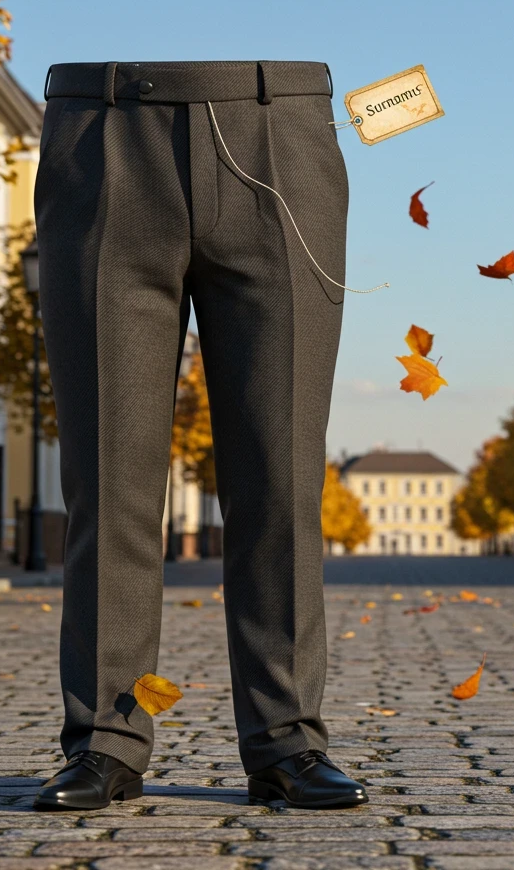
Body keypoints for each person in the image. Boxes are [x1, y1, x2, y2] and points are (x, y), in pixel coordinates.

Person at [29, 60, 366, 811]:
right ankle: (105, 740)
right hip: (101, 139)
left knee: (280, 476)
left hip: (282, 139)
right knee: (109, 479)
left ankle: (288, 740)